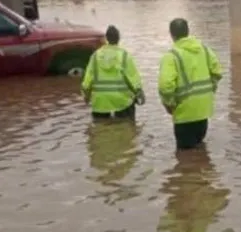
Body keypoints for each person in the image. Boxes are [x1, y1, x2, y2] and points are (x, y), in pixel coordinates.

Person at [158, 18, 223, 150]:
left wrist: (169, 103)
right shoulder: (204, 49)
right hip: (204, 111)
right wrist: (211, 90)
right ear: (188, 31)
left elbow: (165, 86)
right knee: (200, 149)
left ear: (171, 34)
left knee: (185, 154)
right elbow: (217, 72)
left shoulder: (171, 56)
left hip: (184, 113)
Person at [81, 25, 145, 120]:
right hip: (121, 101)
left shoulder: (95, 56)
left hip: (100, 102)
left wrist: (86, 96)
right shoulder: (124, 56)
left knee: (100, 128)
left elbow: (87, 82)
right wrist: (139, 93)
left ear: (106, 38)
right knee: (127, 127)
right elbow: (133, 79)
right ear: (118, 38)